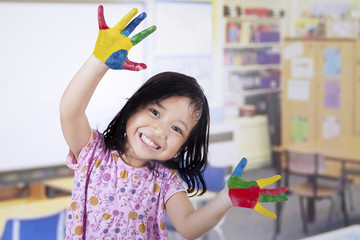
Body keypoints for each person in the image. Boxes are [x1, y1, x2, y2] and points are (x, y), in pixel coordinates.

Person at [60, 5, 287, 240]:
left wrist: (226, 199)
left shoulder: (165, 178)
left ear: (185, 144)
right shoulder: (94, 153)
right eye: (155, 112)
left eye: (177, 128)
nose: (160, 130)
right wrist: (99, 62)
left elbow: (189, 227)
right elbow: (70, 111)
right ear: (132, 109)